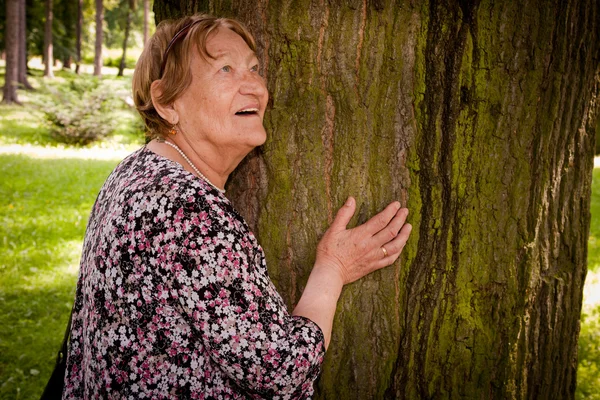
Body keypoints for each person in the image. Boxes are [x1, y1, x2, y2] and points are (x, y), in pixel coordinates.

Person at [62, 14, 412, 399]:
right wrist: (334, 267)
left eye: (254, 68)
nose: (256, 87)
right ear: (166, 101)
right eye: (225, 69)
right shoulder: (187, 210)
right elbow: (279, 370)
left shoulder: (135, 171)